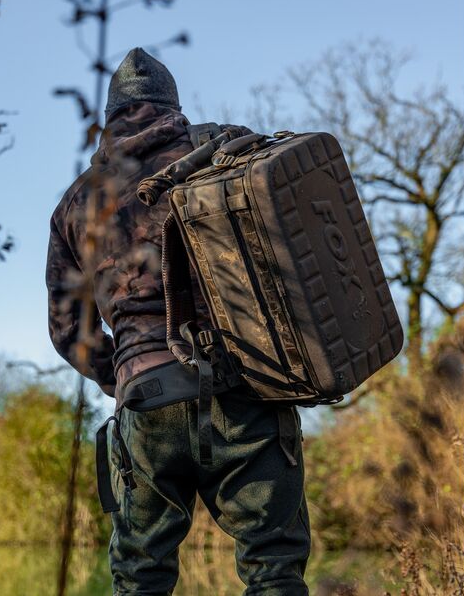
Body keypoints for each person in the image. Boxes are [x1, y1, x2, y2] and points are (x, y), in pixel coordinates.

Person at [45, 47, 311, 596]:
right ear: (172, 107)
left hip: (145, 402)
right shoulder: (220, 154)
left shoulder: (76, 204)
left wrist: (126, 373)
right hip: (244, 387)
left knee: (141, 578)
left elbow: (69, 331)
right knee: (273, 569)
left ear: (110, 117)